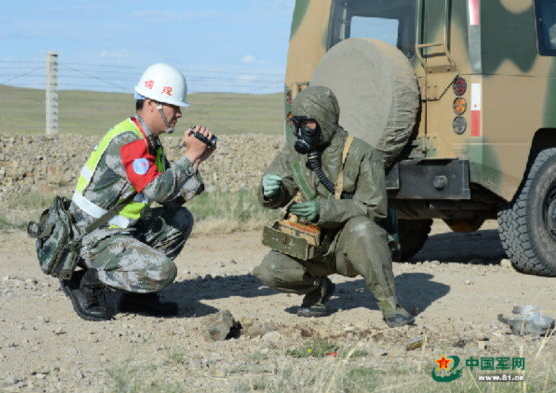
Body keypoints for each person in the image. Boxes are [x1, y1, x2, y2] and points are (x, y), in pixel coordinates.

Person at [62, 63, 216, 321]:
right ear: (152, 104)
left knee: (180, 219)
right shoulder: (130, 141)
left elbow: (171, 200)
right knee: (163, 272)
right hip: (92, 237)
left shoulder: (149, 143)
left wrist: (197, 160)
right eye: (173, 106)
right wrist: (189, 156)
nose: (179, 113)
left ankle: (137, 297)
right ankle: (86, 283)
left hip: (118, 231)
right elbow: (157, 190)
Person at [252, 85, 414, 327]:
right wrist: (269, 191)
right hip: (309, 243)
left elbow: (375, 207)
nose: (301, 131)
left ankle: (390, 304)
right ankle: (318, 290)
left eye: (308, 124)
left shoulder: (362, 154)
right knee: (270, 270)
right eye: (296, 124)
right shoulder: (295, 154)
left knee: (364, 229)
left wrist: (324, 210)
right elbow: (277, 192)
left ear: (325, 120)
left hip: (346, 244)